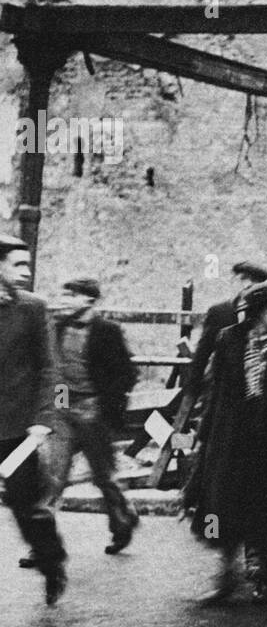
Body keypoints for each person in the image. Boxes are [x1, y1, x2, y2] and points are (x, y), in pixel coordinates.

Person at [186, 277, 267, 605]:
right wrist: (204, 435)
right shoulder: (229, 338)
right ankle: (226, 573)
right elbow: (216, 391)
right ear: (258, 309)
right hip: (231, 437)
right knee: (222, 505)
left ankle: (262, 571)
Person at [46, 277, 140, 556]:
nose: (63, 301)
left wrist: (104, 403)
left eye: (70, 296)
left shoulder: (107, 331)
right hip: (62, 408)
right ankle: (43, 545)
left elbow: (127, 374)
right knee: (53, 476)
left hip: (92, 410)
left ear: (88, 300)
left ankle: (123, 522)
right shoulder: (58, 327)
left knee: (104, 477)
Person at [0, 234, 68, 604]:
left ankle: (51, 560)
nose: (26, 272)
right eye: (17, 264)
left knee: (26, 505)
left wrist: (44, 418)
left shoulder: (33, 308)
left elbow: (50, 369)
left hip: (16, 429)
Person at [186, 260, 267, 399]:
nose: (247, 285)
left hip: (256, 388)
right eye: (242, 279)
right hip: (223, 387)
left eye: (254, 281)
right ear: (233, 281)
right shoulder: (220, 312)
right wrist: (192, 390)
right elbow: (203, 353)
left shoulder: (266, 314)